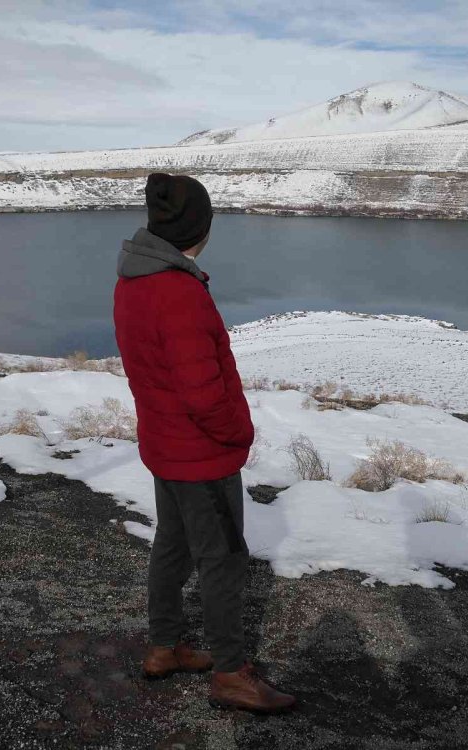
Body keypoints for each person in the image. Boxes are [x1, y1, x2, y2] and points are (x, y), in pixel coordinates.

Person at [113, 172, 296, 714]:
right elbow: (203, 394)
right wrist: (240, 433)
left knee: (173, 544)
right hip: (199, 455)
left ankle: (164, 647)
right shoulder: (179, 292)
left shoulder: (133, 279)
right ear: (201, 227)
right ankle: (232, 673)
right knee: (222, 560)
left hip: (164, 446)